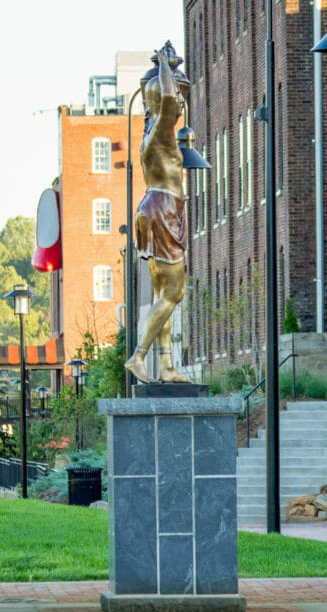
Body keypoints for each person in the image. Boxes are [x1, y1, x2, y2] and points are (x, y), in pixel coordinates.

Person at [124, 41, 191, 384]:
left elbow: (160, 98)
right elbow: (167, 99)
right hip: (164, 209)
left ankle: (166, 367)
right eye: (181, 95)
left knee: (161, 294)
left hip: (152, 207)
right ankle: (139, 356)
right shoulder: (163, 130)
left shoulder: (148, 134)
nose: (181, 102)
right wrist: (166, 67)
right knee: (174, 292)